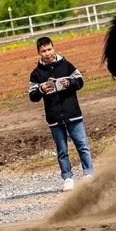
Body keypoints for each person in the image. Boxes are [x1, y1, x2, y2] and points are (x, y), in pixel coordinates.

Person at [28, 36, 94, 191]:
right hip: (54, 118)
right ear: (38, 52)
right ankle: (68, 178)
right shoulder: (36, 74)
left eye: (49, 49)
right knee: (62, 150)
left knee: (82, 145)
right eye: (43, 51)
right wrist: (41, 90)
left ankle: (89, 174)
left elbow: (80, 82)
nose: (47, 53)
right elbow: (32, 96)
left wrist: (70, 83)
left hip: (73, 114)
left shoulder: (66, 65)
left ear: (54, 48)